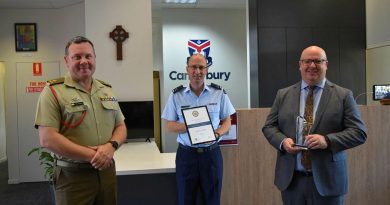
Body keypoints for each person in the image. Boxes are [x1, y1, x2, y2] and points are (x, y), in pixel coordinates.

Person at [262, 45, 367, 205]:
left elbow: (359, 132)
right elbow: (269, 127)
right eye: (307, 61)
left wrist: (328, 140)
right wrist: (283, 142)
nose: (312, 66)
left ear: (326, 64)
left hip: (328, 182)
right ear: (300, 65)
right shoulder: (283, 94)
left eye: (317, 61)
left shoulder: (343, 95)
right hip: (292, 182)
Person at [34, 36, 127, 205]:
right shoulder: (53, 91)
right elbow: (47, 139)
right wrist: (96, 155)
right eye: (77, 57)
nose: (84, 61)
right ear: (66, 61)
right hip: (73, 177)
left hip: (106, 173)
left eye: (88, 56)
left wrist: (111, 146)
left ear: (94, 58)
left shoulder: (106, 90)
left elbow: (120, 126)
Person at [161, 53, 235, 205]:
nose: (197, 71)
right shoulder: (176, 95)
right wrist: (191, 125)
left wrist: (217, 133)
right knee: (186, 199)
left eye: (201, 67)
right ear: (187, 70)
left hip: (211, 154)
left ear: (207, 70)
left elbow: (228, 121)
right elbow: (169, 126)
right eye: (193, 67)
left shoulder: (218, 93)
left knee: (213, 200)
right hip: (187, 156)